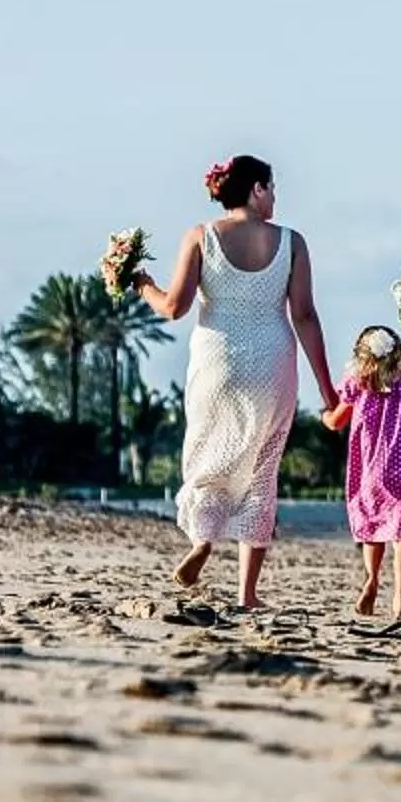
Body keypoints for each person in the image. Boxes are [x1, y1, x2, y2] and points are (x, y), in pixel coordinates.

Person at [127, 154, 338, 610]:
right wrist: (328, 393)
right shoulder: (292, 242)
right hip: (273, 363)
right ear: (257, 189)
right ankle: (247, 594)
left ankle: (202, 541)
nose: (275, 196)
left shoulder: (201, 236)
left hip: (217, 361)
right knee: (262, 468)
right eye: (272, 187)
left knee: (208, 455)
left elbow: (173, 307)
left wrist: (142, 283)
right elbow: (304, 315)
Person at [327, 325, 401, 621]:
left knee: (373, 528)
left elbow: (336, 422)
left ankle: (372, 580)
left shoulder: (358, 384)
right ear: (399, 351)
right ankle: (400, 602)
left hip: (371, 469)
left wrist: (325, 415)